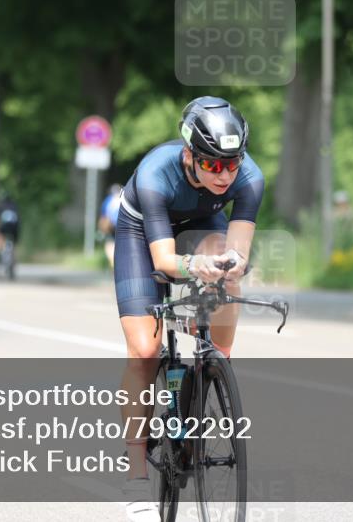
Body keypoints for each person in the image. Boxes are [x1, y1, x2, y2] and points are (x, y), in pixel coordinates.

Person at [113, 96, 263, 521]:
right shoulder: (155, 173)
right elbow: (163, 262)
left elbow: (239, 251)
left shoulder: (249, 178)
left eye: (231, 163)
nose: (224, 174)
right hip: (142, 234)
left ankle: (215, 362)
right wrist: (193, 265)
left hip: (202, 227)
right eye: (212, 164)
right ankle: (136, 475)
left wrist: (228, 265)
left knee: (228, 269)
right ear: (189, 155)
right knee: (145, 352)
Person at [98, 184, 123, 268]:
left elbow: (103, 216)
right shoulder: (125, 199)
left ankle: (112, 261)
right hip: (123, 225)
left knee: (110, 243)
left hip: (111, 226)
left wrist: (102, 229)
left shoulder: (108, 200)